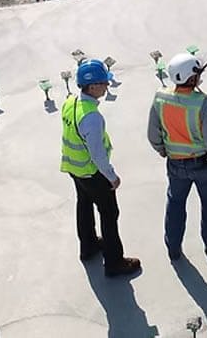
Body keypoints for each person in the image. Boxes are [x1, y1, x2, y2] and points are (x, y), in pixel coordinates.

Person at [61, 59, 141, 277]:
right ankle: (114, 262)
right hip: (92, 173)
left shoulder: (70, 103)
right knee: (109, 213)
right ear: (93, 86)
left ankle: (88, 247)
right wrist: (112, 177)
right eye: (104, 83)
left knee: (84, 205)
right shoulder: (92, 117)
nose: (107, 86)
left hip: (74, 168)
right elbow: (97, 154)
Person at [148, 53, 207, 260]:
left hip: (175, 164)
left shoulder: (161, 97)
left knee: (175, 205)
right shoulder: (204, 103)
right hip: (204, 164)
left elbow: (153, 133)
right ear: (191, 78)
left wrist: (162, 149)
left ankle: (173, 248)